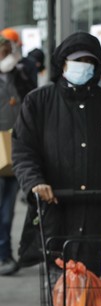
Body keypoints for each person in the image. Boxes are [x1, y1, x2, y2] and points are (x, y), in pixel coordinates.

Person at [11, 31, 101, 275]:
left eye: (89, 62)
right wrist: (35, 182)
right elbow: (23, 150)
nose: (84, 67)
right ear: (62, 63)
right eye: (78, 61)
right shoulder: (38, 102)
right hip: (58, 215)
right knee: (62, 293)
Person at [0, 33, 32, 276]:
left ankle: (5, 255)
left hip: (11, 149)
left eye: (6, 49)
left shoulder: (17, 74)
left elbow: (28, 102)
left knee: (7, 210)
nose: (6, 53)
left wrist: (14, 71)